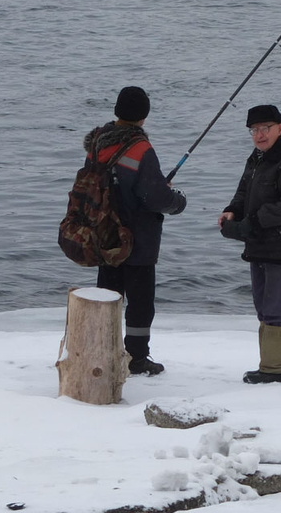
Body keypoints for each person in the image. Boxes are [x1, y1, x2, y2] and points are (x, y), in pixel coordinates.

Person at [84, 86, 186, 376]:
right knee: (140, 303)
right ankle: (136, 358)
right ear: (144, 115)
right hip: (138, 240)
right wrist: (178, 201)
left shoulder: (98, 143)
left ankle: (103, 351)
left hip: (104, 235)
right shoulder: (141, 148)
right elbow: (154, 197)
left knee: (108, 296)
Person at [219, 105, 281, 384]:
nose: (259, 135)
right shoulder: (259, 156)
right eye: (254, 130)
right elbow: (244, 189)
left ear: (279, 128)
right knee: (262, 303)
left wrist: (252, 223)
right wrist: (232, 211)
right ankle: (269, 365)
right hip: (258, 242)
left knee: (277, 306)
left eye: (265, 129)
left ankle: (277, 370)